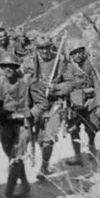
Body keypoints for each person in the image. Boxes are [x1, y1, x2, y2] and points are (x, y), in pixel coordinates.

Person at [0, 54, 33, 198]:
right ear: (1, 68)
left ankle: (8, 196)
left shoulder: (24, 82)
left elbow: (34, 102)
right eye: (5, 66)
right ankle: (25, 185)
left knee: (15, 158)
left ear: (16, 67)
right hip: (5, 124)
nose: (8, 69)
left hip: (22, 124)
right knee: (11, 154)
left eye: (12, 66)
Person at [54, 39, 100, 165]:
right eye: (75, 53)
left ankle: (92, 146)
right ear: (71, 54)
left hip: (90, 102)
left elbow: (98, 85)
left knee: (92, 127)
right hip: (73, 103)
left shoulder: (91, 65)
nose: (78, 55)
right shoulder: (65, 67)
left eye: (80, 52)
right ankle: (77, 155)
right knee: (73, 129)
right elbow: (58, 83)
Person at [24, 34, 63, 180]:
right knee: (39, 138)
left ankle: (44, 166)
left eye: (47, 48)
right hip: (37, 105)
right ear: (37, 49)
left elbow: (70, 83)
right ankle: (42, 161)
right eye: (41, 48)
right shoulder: (29, 62)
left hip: (55, 105)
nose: (45, 51)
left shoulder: (59, 61)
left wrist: (57, 87)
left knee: (49, 138)